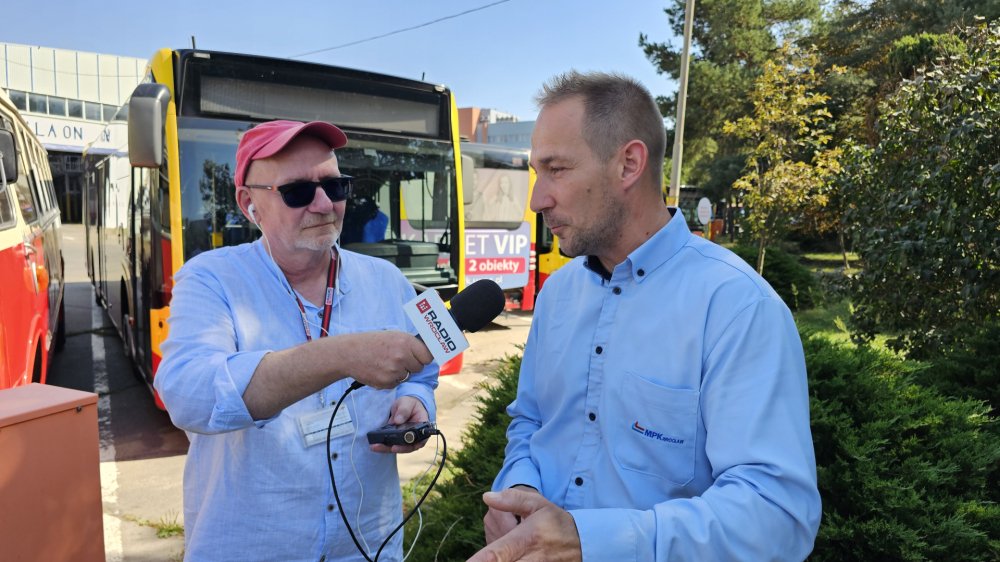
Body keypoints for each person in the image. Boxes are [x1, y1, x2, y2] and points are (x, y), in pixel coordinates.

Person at [471, 72, 821, 562]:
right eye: (536, 171)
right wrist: (518, 493)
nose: (537, 199)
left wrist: (590, 542)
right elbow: (530, 422)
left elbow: (777, 514)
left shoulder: (738, 308)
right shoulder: (559, 294)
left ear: (629, 164)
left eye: (556, 169)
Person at [154, 120, 437, 562]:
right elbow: (188, 395)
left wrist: (418, 399)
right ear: (250, 204)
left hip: (367, 546)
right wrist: (340, 355)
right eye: (298, 192)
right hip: (252, 548)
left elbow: (429, 364)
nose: (324, 204)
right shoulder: (210, 278)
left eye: (335, 186)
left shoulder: (387, 279)